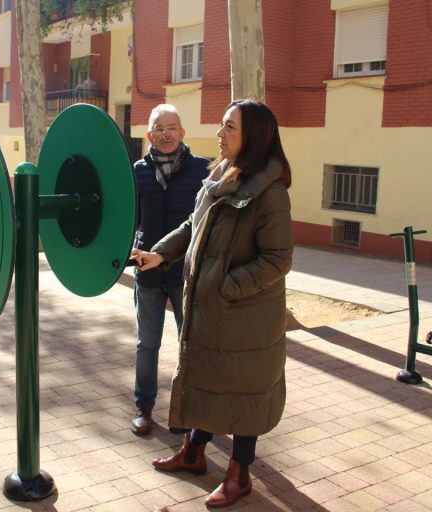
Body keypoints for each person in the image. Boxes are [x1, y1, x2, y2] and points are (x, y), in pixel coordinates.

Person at [131, 99, 293, 508]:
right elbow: (193, 225)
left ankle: (239, 476)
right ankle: (193, 453)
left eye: (229, 127)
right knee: (205, 378)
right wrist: (160, 253)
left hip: (244, 315)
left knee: (243, 391)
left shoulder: (269, 191)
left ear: (253, 137)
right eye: (222, 125)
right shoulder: (220, 176)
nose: (219, 133)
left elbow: (278, 260)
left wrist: (223, 288)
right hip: (213, 308)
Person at [130, 104, 209, 436]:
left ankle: (187, 411)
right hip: (146, 268)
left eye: (172, 127)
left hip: (185, 271)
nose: (166, 134)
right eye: (159, 129)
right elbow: (128, 215)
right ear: (150, 136)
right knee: (146, 343)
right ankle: (144, 407)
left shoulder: (202, 169)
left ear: (182, 133)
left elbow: (205, 221)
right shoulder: (137, 171)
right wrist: (128, 247)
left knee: (188, 344)